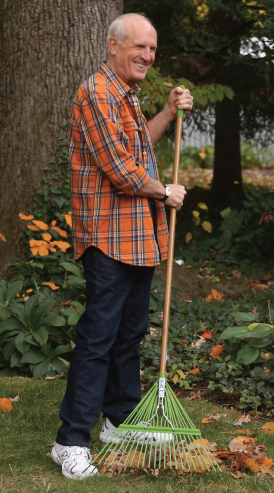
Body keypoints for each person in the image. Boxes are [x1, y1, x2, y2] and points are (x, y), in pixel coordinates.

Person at [50, 13, 192, 480]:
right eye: (139, 47)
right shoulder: (96, 92)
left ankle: (119, 420)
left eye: (152, 49)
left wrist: (167, 113)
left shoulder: (125, 95)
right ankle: (70, 441)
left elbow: (139, 151)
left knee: (129, 335)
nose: (147, 56)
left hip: (138, 236)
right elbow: (119, 169)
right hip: (109, 237)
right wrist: (165, 192)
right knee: (98, 339)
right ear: (113, 46)